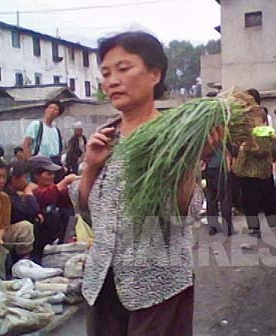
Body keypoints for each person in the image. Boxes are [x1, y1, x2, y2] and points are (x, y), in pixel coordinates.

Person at [72, 31, 213, 336]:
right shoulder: (104, 137)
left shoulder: (175, 136)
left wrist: (187, 163)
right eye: (106, 73)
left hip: (157, 285)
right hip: (102, 282)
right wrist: (90, 168)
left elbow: (184, 214)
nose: (111, 80)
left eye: (123, 69)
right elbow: (87, 215)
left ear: (154, 74)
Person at [232, 109, 276, 237]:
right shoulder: (246, 134)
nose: (253, 123)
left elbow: (262, 151)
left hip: (264, 172)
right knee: (250, 202)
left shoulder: (267, 135)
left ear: (264, 121)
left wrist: (247, 146)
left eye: (255, 120)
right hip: (248, 173)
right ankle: (254, 228)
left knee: (270, 201)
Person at [28, 156, 76, 260]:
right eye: (48, 174)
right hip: (38, 241)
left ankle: (66, 242)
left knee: (68, 211)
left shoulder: (52, 189)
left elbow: (65, 198)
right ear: (36, 175)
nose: (52, 176)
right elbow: (43, 197)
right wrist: (64, 182)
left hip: (56, 237)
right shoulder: (30, 189)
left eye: (53, 174)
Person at [203, 144, 234, 236]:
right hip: (219, 167)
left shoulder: (204, 137)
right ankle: (227, 227)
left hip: (208, 168)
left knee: (211, 198)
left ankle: (213, 227)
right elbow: (226, 151)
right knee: (224, 197)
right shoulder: (218, 136)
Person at [22, 100, 65, 165]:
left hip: (54, 162)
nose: (52, 110)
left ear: (58, 114)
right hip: (40, 162)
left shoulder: (56, 130)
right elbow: (26, 145)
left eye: (55, 109)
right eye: (50, 107)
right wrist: (31, 163)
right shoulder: (36, 125)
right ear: (45, 110)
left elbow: (59, 151)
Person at [4, 161, 42, 226]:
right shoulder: (6, 195)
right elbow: (32, 210)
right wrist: (28, 191)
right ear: (14, 179)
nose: (28, 182)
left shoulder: (14, 193)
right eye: (26, 177)